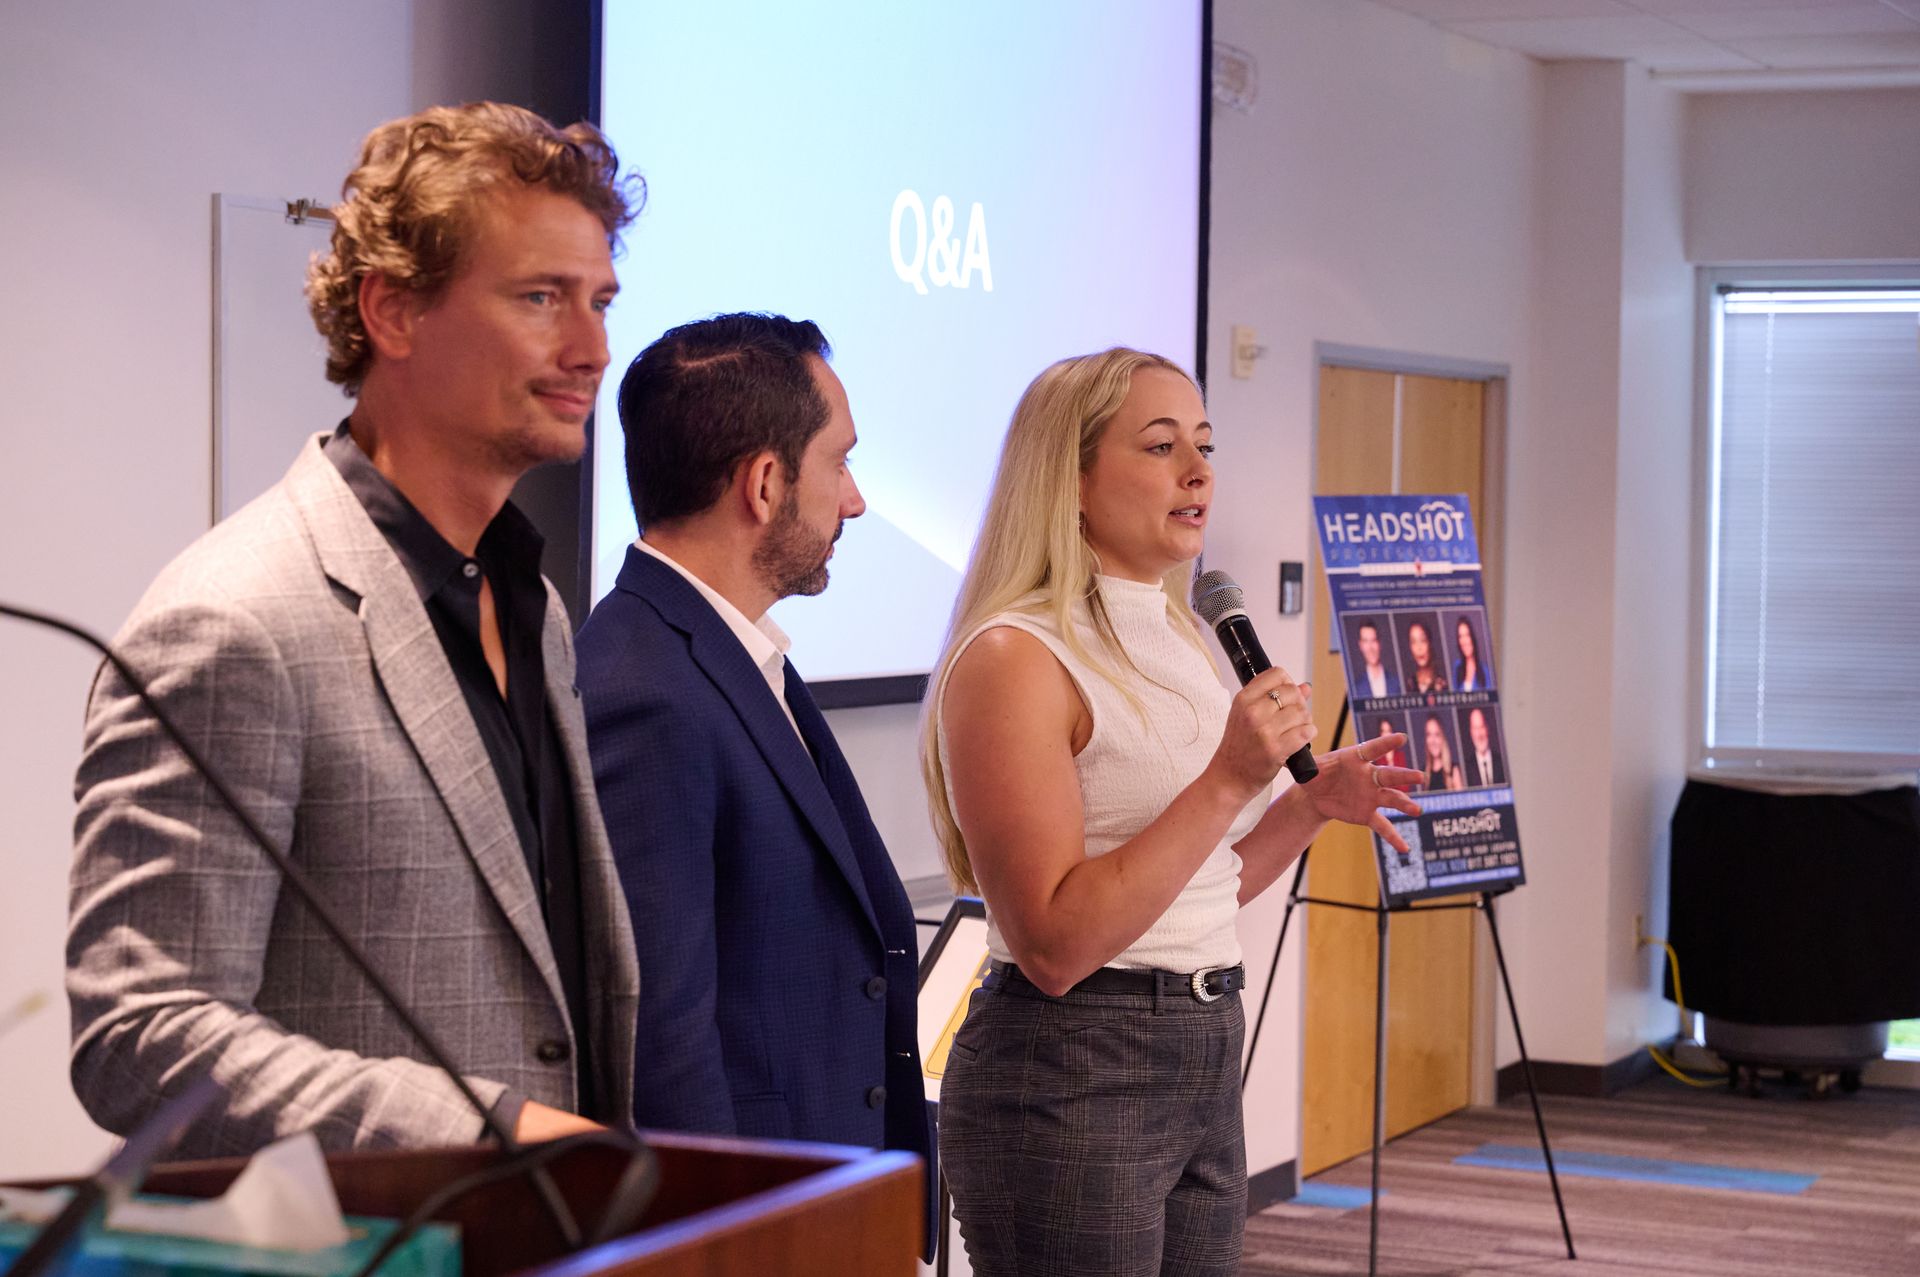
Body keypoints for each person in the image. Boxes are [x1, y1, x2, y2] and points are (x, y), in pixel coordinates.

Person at [66, 103, 643, 1157]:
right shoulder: (235, 621)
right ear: (394, 312)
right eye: (540, 298)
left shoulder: (536, 607)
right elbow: (138, 1034)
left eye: (601, 300)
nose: (593, 346)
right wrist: (489, 1126)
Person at [921, 348, 1422, 1276]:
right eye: (1159, 447)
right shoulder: (1014, 656)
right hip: (1074, 1062)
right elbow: (1055, 943)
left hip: (1201, 1041)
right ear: (1067, 478)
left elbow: (1199, 887)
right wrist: (1229, 780)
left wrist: (1308, 806)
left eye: (1204, 445)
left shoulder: (1188, 634)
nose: (1198, 472)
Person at [574, 315, 933, 1202]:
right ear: (766, 483)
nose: (853, 500)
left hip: (824, 1187)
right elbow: (663, 1029)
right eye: (839, 463)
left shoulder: (725, 650)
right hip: (756, 1212)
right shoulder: (643, 683)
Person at [1352, 617, 1401, 698]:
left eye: (1373, 640)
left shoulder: (1397, 683)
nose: (1370, 648)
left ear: (1379, 643)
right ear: (1361, 646)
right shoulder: (1356, 689)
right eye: (1366, 641)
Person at [1423, 713, 1467, 792]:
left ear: (1442, 738)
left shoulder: (1454, 770)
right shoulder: (1423, 772)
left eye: (1437, 734)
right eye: (1429, 734)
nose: (1433, 741)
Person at [1463, 707, 1507, 787]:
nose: (1479, 735)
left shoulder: (1502, 762)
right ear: (1471, 732)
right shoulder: (1466, 769)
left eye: (1481, 727)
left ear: (1487, 728)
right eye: (1475, 728)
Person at [1404, 618, 1448, 694]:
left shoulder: (1443, 685)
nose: (1419, 648)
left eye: (1423, 640)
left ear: (1429, 643)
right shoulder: (1408, 685)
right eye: (1414, 642)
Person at [1452, 615, 1493, 690]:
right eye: (1460, 636)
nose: (1464, 641)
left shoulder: (1484, 671)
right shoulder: (1457, 667)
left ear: (1472, 638)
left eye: (1467, 635)